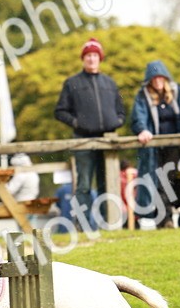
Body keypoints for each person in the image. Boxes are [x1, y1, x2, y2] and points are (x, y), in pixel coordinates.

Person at [54, 37, 127, 225]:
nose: (91, 59)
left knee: (107, 184)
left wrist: (118, 120)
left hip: (108, 141)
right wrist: (77, 123)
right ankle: (83, 224)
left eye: (95, 55)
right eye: (88, 55)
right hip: (83, 141)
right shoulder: (72, 83)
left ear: (100, 58)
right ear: (83, 59)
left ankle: (107, 223)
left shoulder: (110, 83)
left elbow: (121, 109)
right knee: (84, 185)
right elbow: (60, 111)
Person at [131, 60, 180, 225]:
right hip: (153, 149)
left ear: (165, 78)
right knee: (156, 182)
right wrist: (142, 130)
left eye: (160, 77)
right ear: (149, 80)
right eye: (154, 78)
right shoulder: (143, 96)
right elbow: (138, 117)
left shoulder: (177, 92)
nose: (157, 81)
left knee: (169, 181)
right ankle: (164, 219)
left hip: (173, 147)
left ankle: (167, 217)